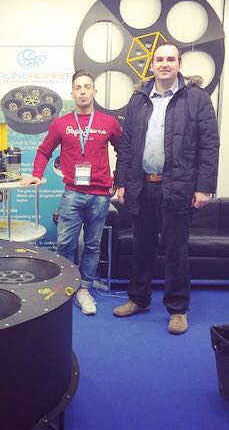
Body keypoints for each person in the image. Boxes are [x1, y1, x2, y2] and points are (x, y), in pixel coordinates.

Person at [113, 42, 220, 335]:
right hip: (142, 186)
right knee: (142, 248)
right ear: (152, 65)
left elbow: (209, 145)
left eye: (170, 59)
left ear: (179, 64)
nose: (164, 64)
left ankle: (177, 309)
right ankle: (138, 299)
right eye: (159, 59)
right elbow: (126, 145)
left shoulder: (197, 99)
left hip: (178, 187)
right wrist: (121, 182)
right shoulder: (138, 99)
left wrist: (204, 187)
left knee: (176, 251)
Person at [21, 70, 121, 315]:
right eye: (78, 88)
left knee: (93, 245)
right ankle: (64, 286)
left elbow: (125, 151)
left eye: (87, 87)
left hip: (100, 195)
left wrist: (119, 181)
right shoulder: (61, 124)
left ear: (94, 92)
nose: (83, 92)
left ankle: (84, 290)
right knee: (65, 244)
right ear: (72, 94)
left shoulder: (108, 123)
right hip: (73, 193)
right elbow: (44, 151)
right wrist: (37, 174)